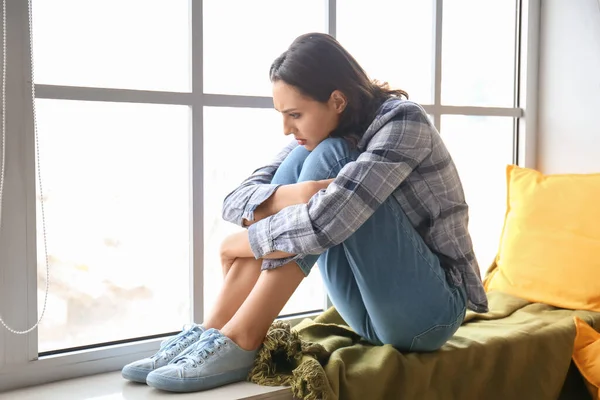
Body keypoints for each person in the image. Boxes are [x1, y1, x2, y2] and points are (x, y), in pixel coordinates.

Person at [122, 32, 488, 393]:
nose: (286, 128)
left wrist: (240, 244)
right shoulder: (320, 133)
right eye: (282, 115)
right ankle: (214, 329)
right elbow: (235, 201)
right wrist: (291, 194)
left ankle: (244, 335)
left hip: (429, 315)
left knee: (330, 157)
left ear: (338, 100)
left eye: (295, 114)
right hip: (368, 314)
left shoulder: (403, 122)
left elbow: (322, 227)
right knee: (306, 162)